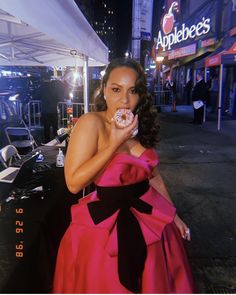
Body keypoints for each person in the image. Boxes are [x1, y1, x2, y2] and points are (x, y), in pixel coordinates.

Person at [53, 58, 195, 293]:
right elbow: (73, 183)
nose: (125, 100)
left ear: (141, 96)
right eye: (116, 89)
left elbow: (154, 178)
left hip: (151, 220)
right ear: (104, 89)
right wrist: (114, 143)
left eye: (133, 91)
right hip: (104, 229)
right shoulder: (92, 122)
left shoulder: (139, 125)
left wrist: (174, 215)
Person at [36, 73, 68, 143]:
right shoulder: (54, 87)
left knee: (46, 128)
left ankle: (47, 142)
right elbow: (58, 96)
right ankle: (56, 142)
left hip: (45, 110)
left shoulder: (41, 87)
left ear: (43, 78)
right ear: (50, 78)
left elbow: (37, 96)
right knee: (55, 127)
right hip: (53, 110)